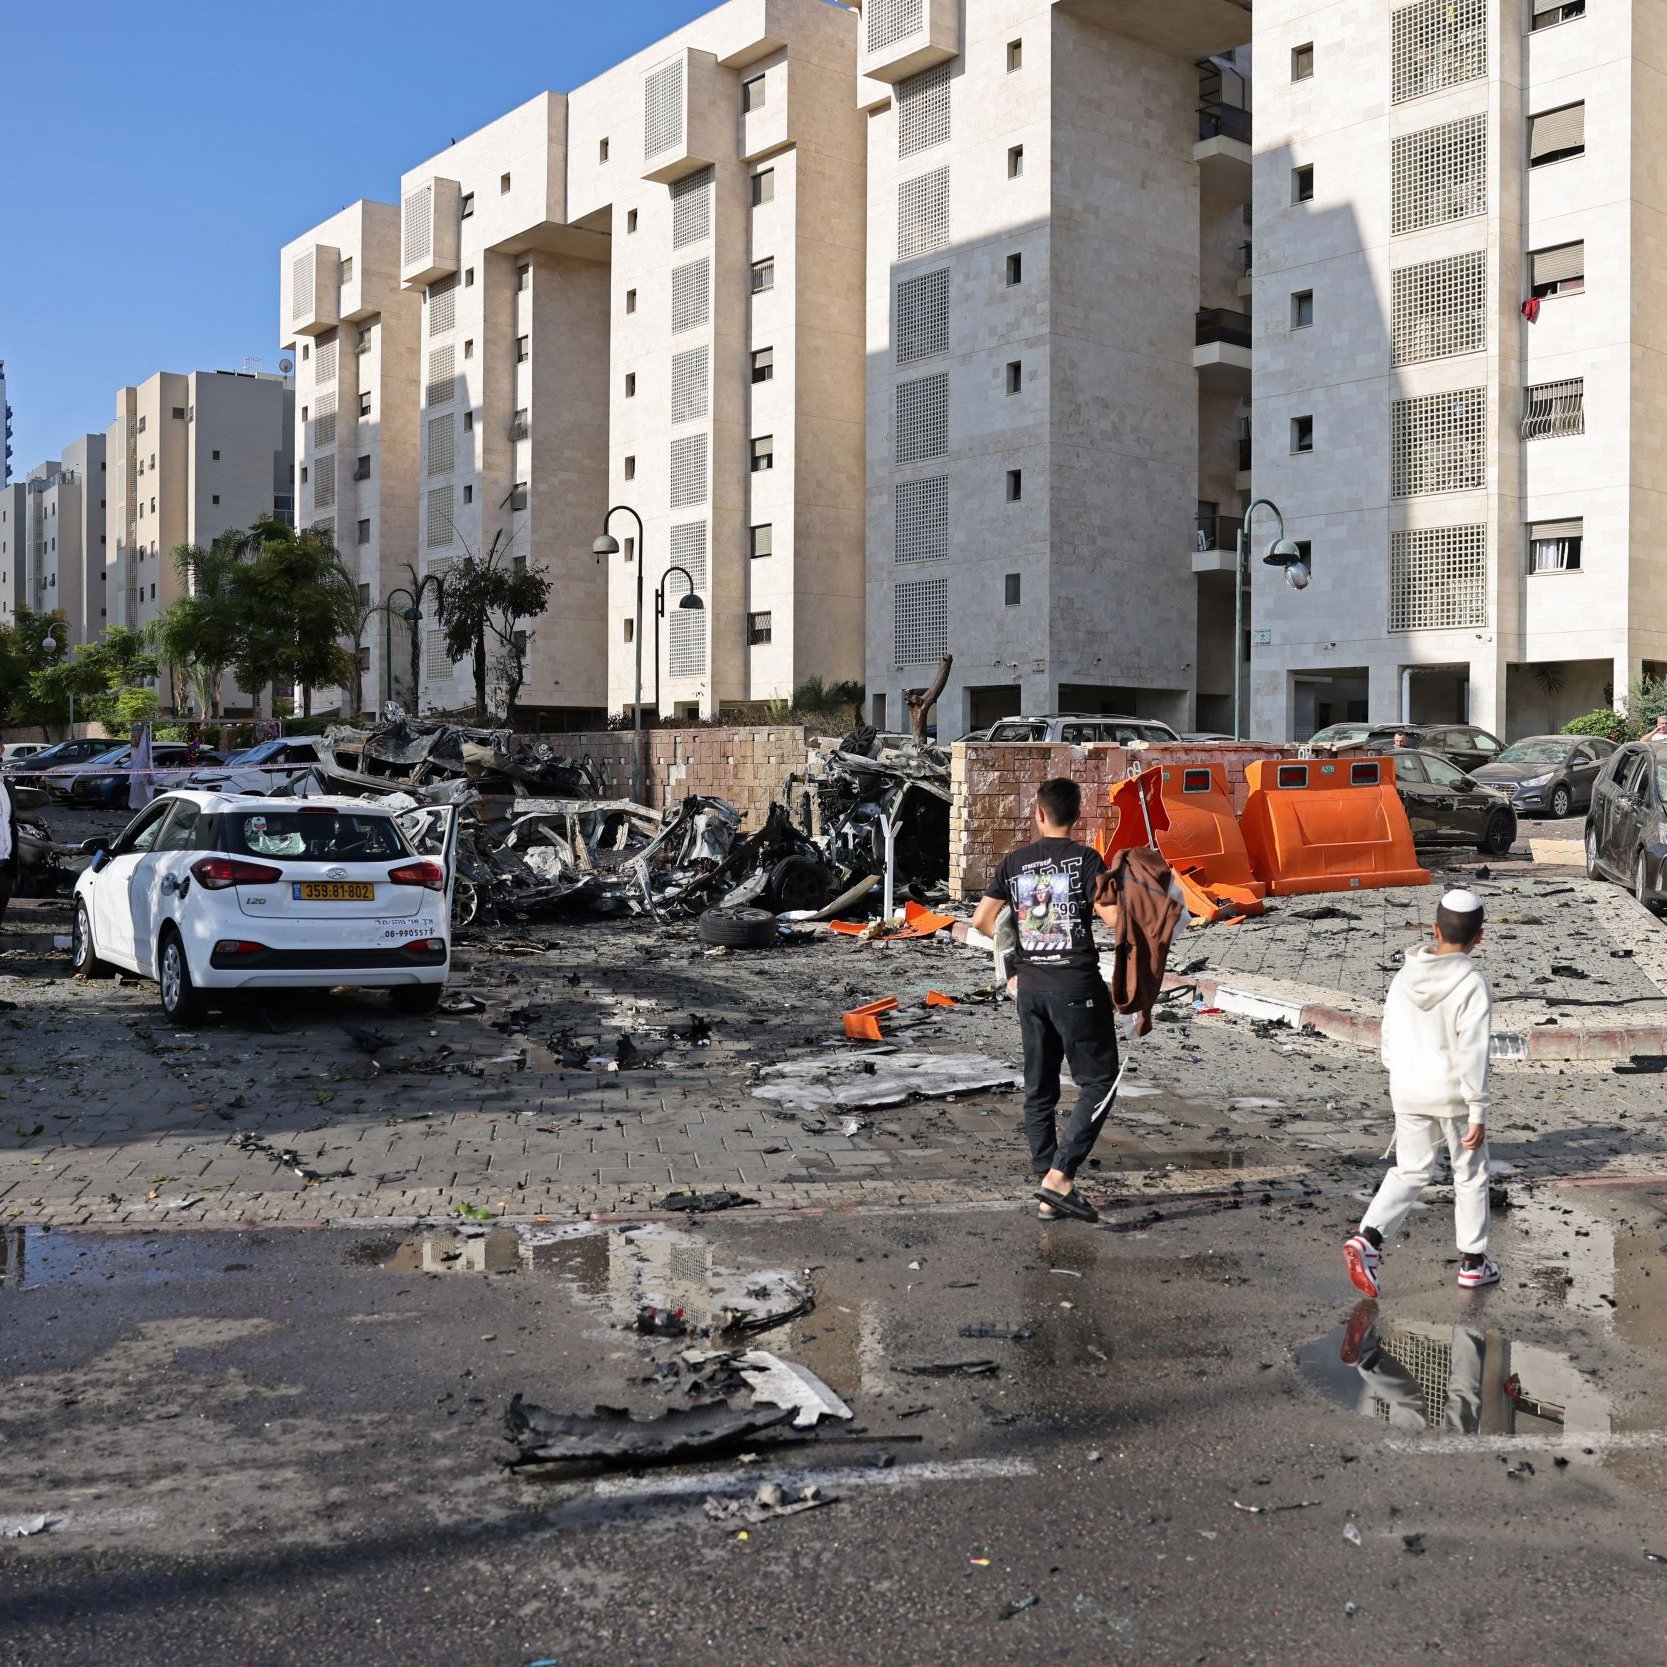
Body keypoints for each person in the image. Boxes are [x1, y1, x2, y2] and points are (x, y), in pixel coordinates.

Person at [971, 777, 1121, 1223]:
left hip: (1030, 990)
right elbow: (1116, 921)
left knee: (1040, 1088)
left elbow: (982, 921)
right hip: (1076, 988)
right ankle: (1058, 1178)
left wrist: (1015, 960)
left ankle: (1045, 1191)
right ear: (1077, 816)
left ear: (1038, 814)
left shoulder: (1014, 863)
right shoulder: (1087, 860)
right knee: (1099, 1081)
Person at [1344, 888, 1497, 1296]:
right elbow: (1474, 1052)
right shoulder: (1472, 984)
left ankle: (1369, 1239)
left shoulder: (1403, 976)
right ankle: (1473, 1263)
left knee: (1410, 1170)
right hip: (1454, 1098)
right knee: (1469, 1174)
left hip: (1408, 1090)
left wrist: (1403, 1078)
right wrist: (1478, 1109)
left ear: (1434, 929)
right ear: (1479, 937)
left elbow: (1389, 1037)